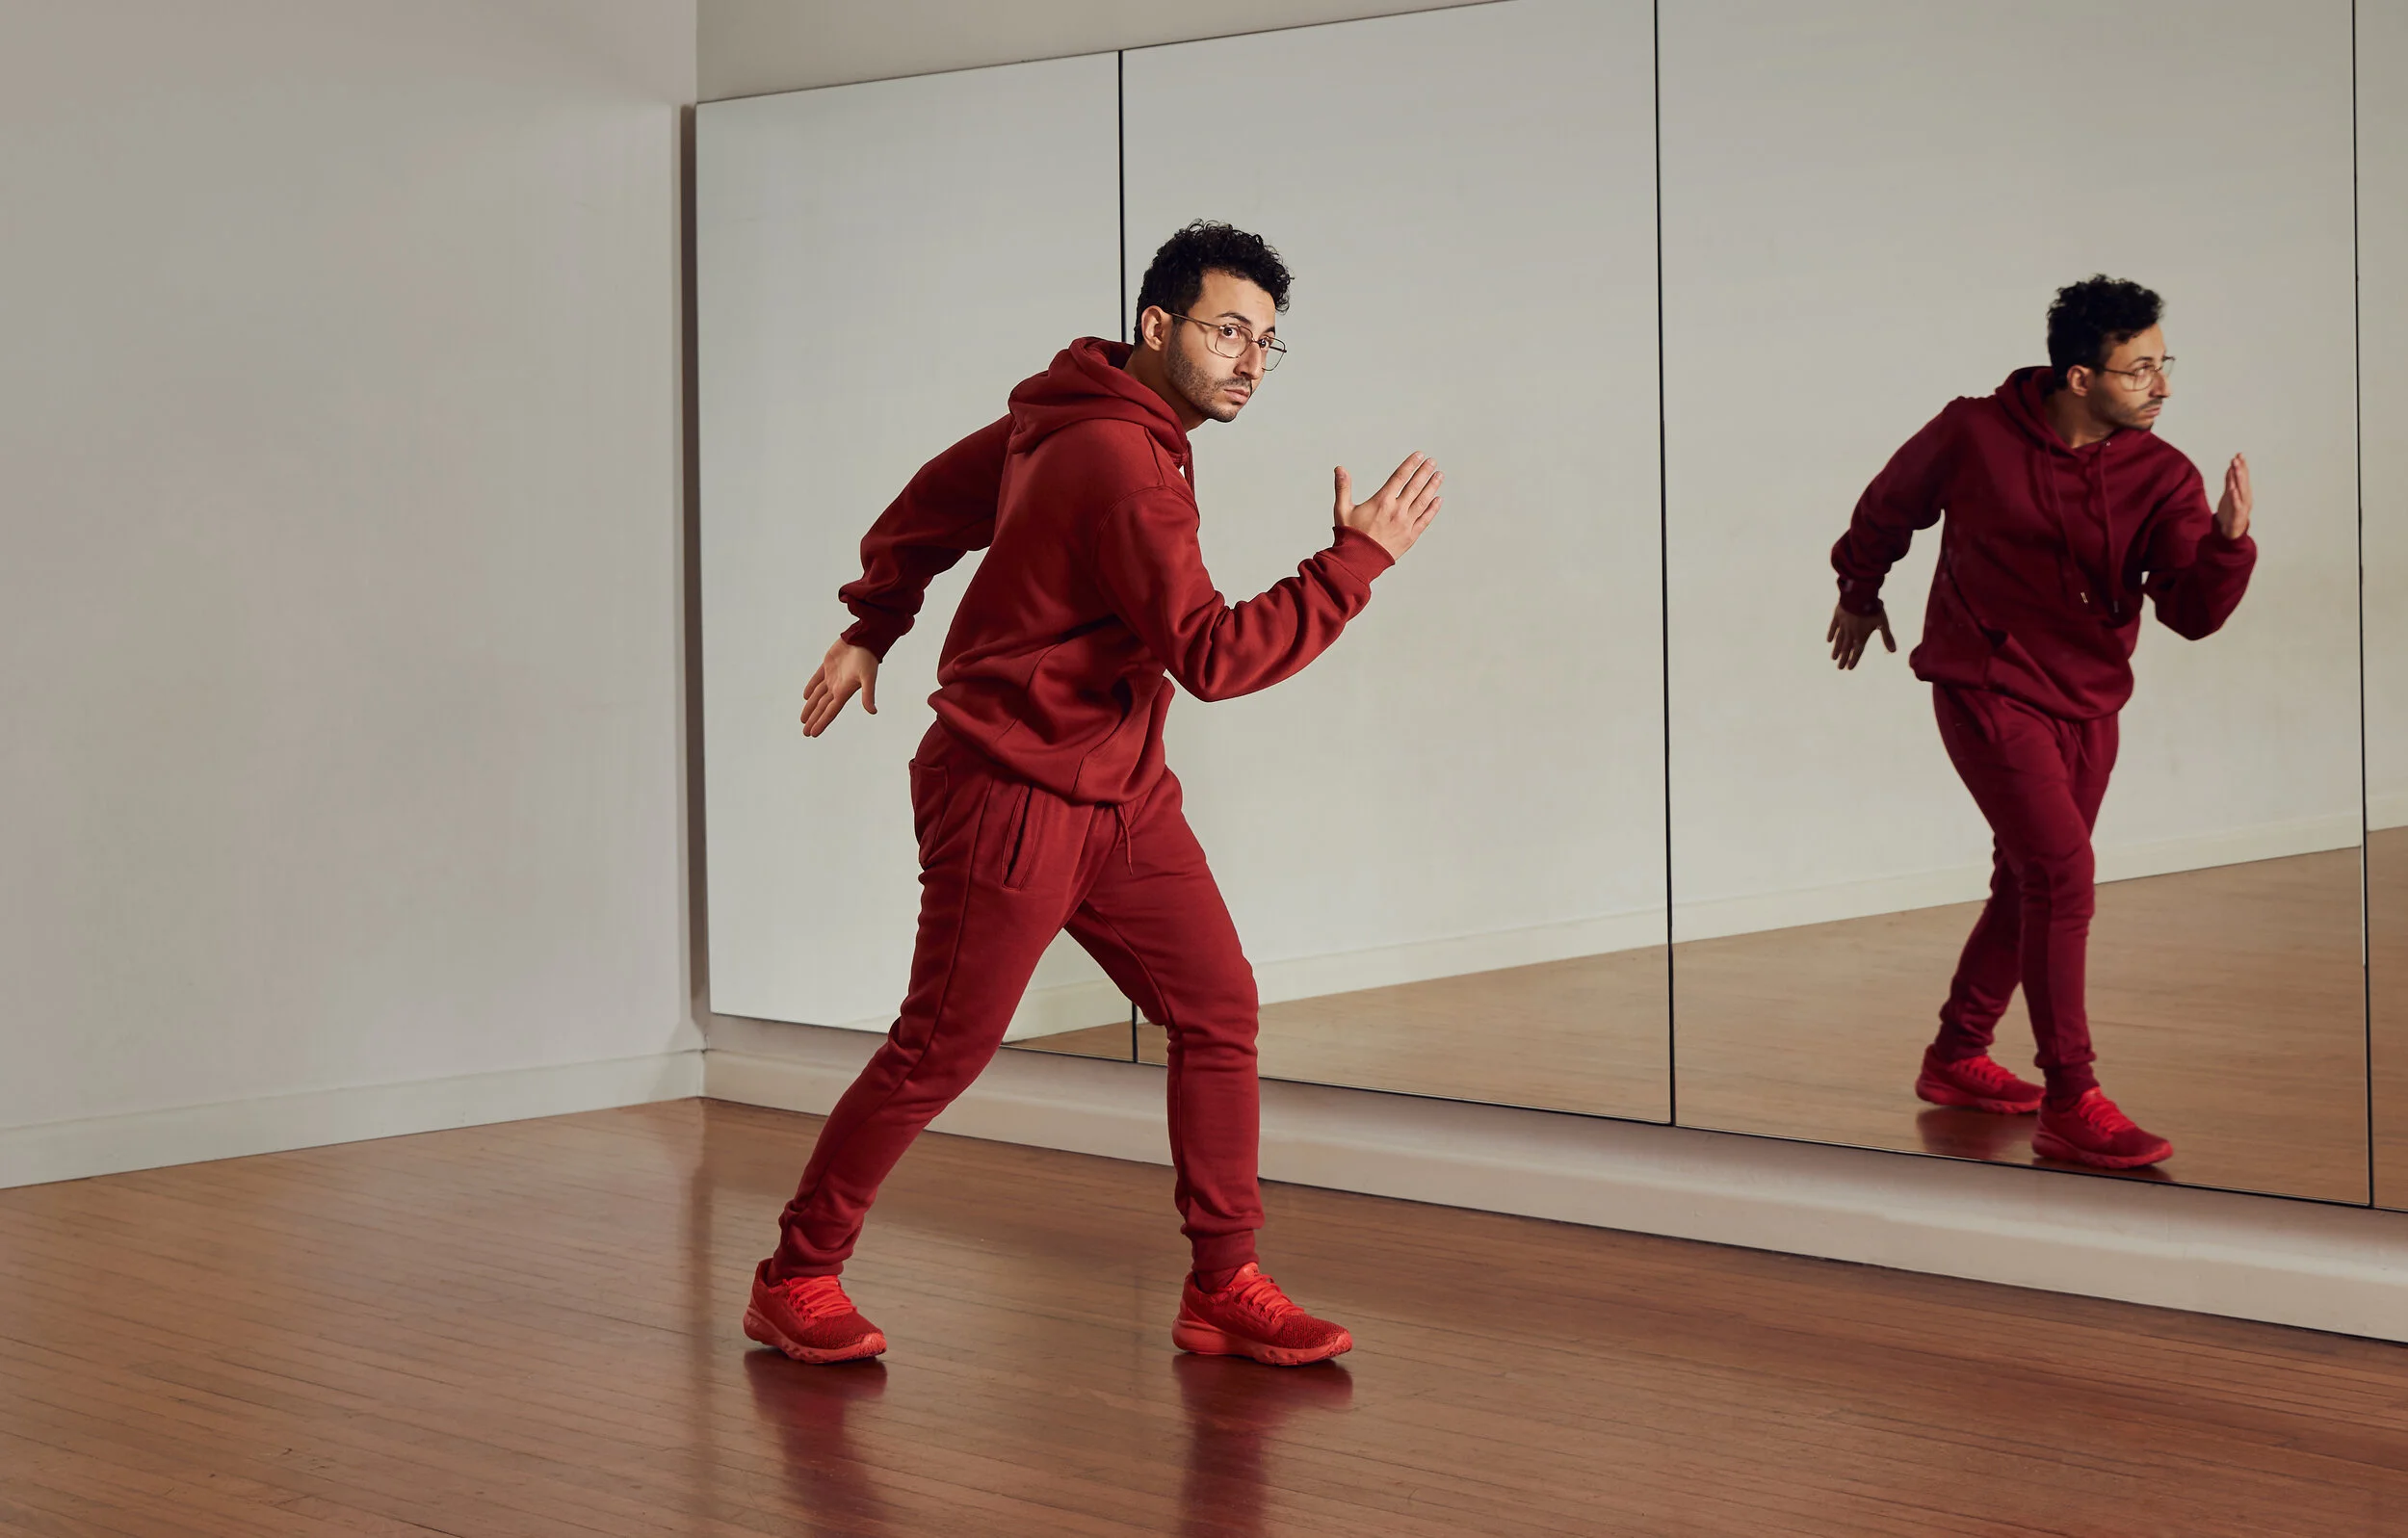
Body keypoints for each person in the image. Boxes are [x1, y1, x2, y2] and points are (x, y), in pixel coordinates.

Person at [745, 222, 1443, 1366]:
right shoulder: (1121, 460)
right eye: (1227, 332)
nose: (1249, 362)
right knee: (938, 1049)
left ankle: (1223, 1283)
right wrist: (1356, 561)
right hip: (1010, 787)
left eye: (1265, 341)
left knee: (1216, 1006)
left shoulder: (1077, 414)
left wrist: (874, 623)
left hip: (1119, 788)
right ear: (1157, 326)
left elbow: (929, 501)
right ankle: (796, 1275)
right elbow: (1212, 654)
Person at [1826, 274, 2255, 1170]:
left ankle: (1956, 1054)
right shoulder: (1973, 433)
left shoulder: (2162, 474)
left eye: (2164, 363)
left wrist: (2225, 547)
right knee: (2063, 874)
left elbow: (2190, 613)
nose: (2162, 386)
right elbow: (1887, 507)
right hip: (1984, 681)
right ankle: (2071, 1097)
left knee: (2029, 881)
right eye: (2140, 370)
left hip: (2088, 698)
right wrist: (1860, 591)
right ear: (2079, 377)